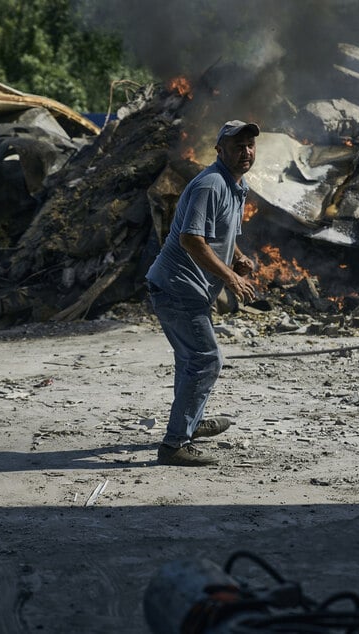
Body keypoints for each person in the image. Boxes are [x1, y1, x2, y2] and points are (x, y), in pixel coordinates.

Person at [145, 120, 259, 466]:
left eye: (250, 145)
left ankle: (188, 425)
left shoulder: (236, 187)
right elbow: (191, 239)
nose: (246, 152)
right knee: (206, 360)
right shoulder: (210, 185)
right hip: (177, 287)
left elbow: (222, 234)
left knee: (189, 361)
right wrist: (230, 278)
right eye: (238, 146)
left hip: (187, 290)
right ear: (219, 149)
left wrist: (238, 258)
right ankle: (174, 444)